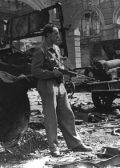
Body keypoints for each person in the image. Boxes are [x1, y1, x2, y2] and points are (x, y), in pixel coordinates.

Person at [31, 24, 92, 157]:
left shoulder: (56, 48)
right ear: (47, 35)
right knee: (51, 118)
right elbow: (35, 71)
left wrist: (64, 72)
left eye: (58, 34)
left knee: (67, 114)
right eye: (55, 34)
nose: (58, 36)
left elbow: (58, 65)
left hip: (59, 85)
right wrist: (52, 73)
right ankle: (54, 148)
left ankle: (75, 144)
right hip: (47, 86)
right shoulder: (40, 50)